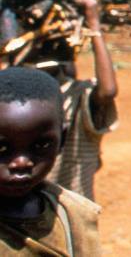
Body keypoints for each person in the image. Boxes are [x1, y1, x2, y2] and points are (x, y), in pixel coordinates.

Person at [0, 66, 100, 255]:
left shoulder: (72, 216)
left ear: (61, 140)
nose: (21, 163)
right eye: (2, 148)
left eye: (40, 145)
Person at [32, 0, 118, 201]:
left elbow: (107, 91)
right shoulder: (21, 98)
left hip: (71, 211)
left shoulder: (79, 96)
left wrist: (93, 24)